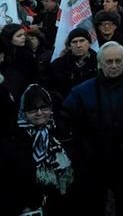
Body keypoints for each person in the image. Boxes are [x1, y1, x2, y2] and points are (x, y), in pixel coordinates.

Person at [61, 41, 123, 216]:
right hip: (95, 161)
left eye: (118, 61)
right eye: (109, 62)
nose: (114, 66)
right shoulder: (81, 92)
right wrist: (84, 151)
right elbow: (68, 123)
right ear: (100, 64)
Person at [0, 84, 74, 216]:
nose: (40, 113)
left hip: (62, 204)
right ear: (24, 111)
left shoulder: (61, 132)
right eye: (33, 109)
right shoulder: (13, 139)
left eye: (44, 107)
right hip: (28, 208)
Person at [49, 28, 98, 98]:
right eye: (74, 42)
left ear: (89, 43)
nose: (78, 45)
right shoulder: (57, 65)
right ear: (69, 46)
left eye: (82, 41)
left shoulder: (100, 63)